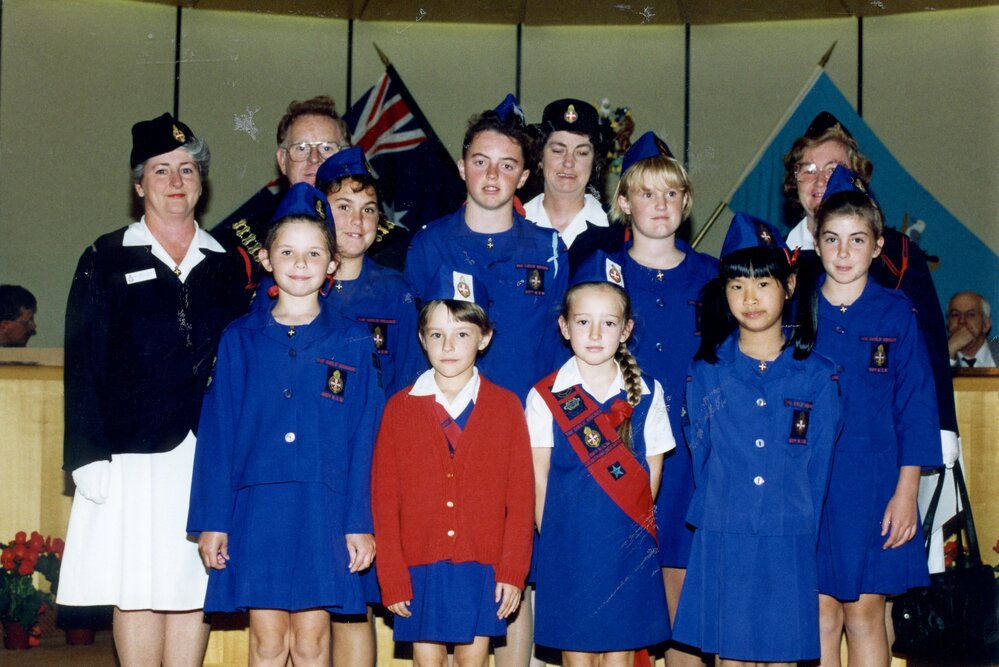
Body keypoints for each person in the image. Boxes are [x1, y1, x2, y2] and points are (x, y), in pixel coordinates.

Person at [59, 113, 251, 666]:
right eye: (161, 170)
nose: (175, 181)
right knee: (138, 587)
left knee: (191, 586)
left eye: (187, 169)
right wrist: (86, 454)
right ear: (138, 183)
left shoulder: (227, 265)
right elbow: (84, 362)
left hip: (206, 454)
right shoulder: (105, 257)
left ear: (201, 182)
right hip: (130, 456)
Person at [188, 183, 384, 666]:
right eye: (289, 252)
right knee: (268, 641)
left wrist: (359, 521)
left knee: (313, 642)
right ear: (267, 259)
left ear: (332, 264)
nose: (301, 263)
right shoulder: (240, 338)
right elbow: (219, 434)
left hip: (325, 507)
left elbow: (365, 438)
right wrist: (213, 521)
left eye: (314, 252)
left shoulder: (353, 340)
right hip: (258, 509)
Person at [672, 212, 842, 665]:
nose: (749, 298)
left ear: (788, 286)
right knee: (732, 657)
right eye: (736, 285)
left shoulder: (819, 377)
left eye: (763, 283)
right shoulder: (707, 373)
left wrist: (797, 516)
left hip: (790, 533)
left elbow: (819, 470)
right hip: (725, 532)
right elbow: (701, 454)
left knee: (783, 655)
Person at [811, 167, 942, 667]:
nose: (844, 254)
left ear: (877, 244)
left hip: (876, 485)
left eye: (856, 240)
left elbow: (916, 406)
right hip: (813, 485)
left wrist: (906, 492)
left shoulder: (896, 312)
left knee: (865, 614)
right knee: (820, 613)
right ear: (817, 243)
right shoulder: (800, 311)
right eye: (832, 240)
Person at [371, 269, 535, 667]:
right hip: (418, 564)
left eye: (462, 333)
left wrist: (512, 571)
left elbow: (521, 497)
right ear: (422, 339)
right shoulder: (399, 407)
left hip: (481, 564)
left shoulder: (505, 406)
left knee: (472, 661)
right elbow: (383, 499)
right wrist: (392, 575)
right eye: (437, 334)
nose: (449, 345)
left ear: (485, 338)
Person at [599, 130, 717, 666]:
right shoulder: (600, 274)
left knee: (685, 602)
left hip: (694, 458)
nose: (660, 205)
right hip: (623, 450)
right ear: (623, 202)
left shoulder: (713, 276)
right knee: (620, 599)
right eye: (646, 193)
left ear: (687, 202)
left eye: (671, 193)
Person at [782, 111, 958, 466]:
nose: (819, 181)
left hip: (890, 440)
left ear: (856, 174)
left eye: (832, 168)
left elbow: (929, 346)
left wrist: (942, 429)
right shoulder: (778, 256)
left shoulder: (897, 253)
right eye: (808, 169)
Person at [528, 253, 672, 665]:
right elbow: (539, 479)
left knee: (621, 659)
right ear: (564, 326)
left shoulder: (648, 393)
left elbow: (652, 475)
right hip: (570, 548)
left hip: (627, 546)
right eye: (583, 321)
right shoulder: (545, 396)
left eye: (608, 323)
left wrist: (630, 533)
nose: (595, 333)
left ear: (626, 330)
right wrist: (554, 542)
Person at [405, 93, 568, 402]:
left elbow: (558, 349)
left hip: (526, 421)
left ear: (523, 177)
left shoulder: (549, 250)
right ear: (462, 167)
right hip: (448, 418)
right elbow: (415, 347)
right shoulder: (429, 245)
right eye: (480, 162)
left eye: (507, 165)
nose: (492, 175)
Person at [524, 98, 623, 272]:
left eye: (582, 152)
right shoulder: (516, 222)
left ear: (594, 163)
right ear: (540, 158)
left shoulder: (616, 231)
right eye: (558, 150)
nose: (569, 162)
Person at [947, 291, 996, 368]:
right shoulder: (931, 356)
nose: (962, 320)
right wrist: (949, 351)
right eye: (955, 315)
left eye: (971, 315)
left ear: (986, 325)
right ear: (948, 323)